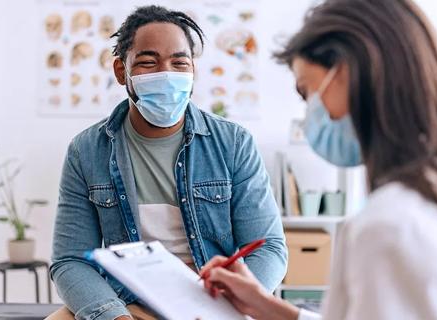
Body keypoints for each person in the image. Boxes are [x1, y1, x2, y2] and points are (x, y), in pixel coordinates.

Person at [200, 0, 437, 319]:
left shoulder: (390, 226)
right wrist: (265, 306)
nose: (308, 116)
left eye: (307, 94)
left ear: (348, 74)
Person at [47, 5, 287, 320]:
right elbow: (70, 260)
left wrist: (230, 305)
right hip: (126, 303)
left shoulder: (234, 143)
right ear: (122, 72)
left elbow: (268, 248)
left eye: (179, 62)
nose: (166, 74)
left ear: (193, 71)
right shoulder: (86, 150)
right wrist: (113, 316)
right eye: (148, 62)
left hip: (214, 302)